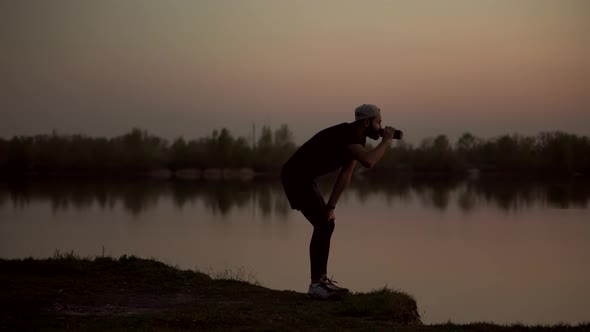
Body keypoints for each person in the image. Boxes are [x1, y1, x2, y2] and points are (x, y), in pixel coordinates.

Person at [281, 104, 396, 300]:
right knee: (322, 225)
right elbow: (369, 161)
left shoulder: (356, 138)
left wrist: (331, 207)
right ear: (367, 122)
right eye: (378, 122)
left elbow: (346, 174)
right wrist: (386, 141)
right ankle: (316, 284)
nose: (381, 126)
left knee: (327, 222)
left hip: (304, 179)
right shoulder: (348, 133)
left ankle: (322, 281)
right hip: (295, 177)